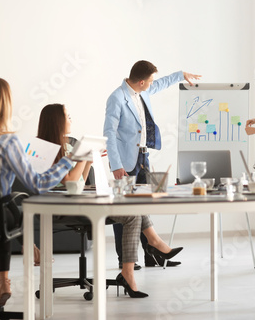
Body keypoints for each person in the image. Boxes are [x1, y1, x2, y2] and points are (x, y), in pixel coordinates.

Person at [38, 103, 183, 298]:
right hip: (61, 207)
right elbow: (69, 181)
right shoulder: (43, 149)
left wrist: (89, 159)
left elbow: (80, 180)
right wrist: (83, 157)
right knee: (131, 215)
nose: (71, 119)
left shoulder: (70, 144)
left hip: (79, 199)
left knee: (132, 206)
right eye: (67, 116)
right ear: (56, 121)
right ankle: (145, 252)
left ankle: (137, 261)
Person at [0, 78, 75, 308]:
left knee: (2, 205)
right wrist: (67, 162)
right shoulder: (6, 141)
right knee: (8, 204)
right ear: (5, 104)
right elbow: (38, 185)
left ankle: (5, 280)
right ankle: (8, 274)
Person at [103, 60, 200, 268]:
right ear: (140, 81)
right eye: (150, 81)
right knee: (124, 211)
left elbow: (161, 83)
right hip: (125, 162)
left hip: (143, 157)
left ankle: (152, 255)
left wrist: (181, 74)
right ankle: (125, 259)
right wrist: (115, 164)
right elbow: (109, 133)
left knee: (144, 205)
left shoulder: (142, 91)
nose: (152, 84)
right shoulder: (117, 98)